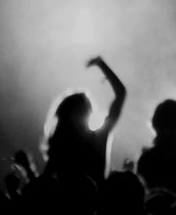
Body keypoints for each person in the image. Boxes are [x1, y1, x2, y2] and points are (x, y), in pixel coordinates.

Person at [40, 56, 127, 184]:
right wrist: (101, 64)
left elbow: (43, 181)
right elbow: (121, 93)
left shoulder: (60, 146)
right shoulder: (97, 138)